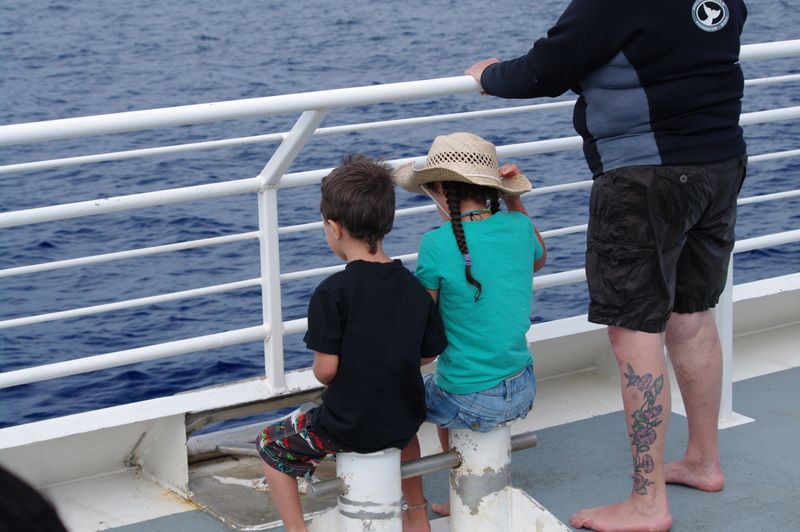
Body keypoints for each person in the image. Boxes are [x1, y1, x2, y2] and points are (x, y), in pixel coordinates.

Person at [465, 1, 748, 530]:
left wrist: (488, 74)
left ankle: (647, 503)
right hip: (720, 164)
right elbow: (671, 49)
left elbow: (543, 71)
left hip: (646, 178)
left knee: (634, 330)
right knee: (691, 315)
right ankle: (703, 461)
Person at [255, 154, 448, 532]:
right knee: (402, 432)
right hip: (404, 415)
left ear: (334, 227)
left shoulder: (332, 292)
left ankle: (296, 530)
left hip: (348, 425)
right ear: (387, 221)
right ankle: (416, 512)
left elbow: (326, 371)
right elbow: (429, 352)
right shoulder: (413, 288)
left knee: (270, 446)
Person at [394, 132, 547, 532]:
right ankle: (460, 487)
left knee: (401, 401)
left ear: (441, 190)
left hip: (473, 398)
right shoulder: (518, 225)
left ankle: (416, 508)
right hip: (522, 385)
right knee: (447, 385)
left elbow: (422, 323)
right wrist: (514, 199)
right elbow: (538, 258)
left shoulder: (435, 243)